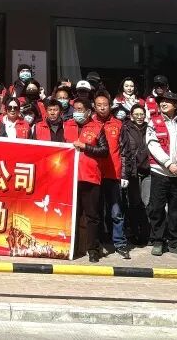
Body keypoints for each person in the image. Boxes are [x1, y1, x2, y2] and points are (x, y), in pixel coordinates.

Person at [145, 92, 177, 257]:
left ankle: (175, 242)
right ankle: (158, 241)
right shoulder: (153, 122)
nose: (163, 103)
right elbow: (152, 144)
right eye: (162, 101)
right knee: (157, 208)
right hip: (159, 172)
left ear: (176, 105)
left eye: (168, 101)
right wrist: (168, 163)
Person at [86, 92, 130, 259]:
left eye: (105, 104)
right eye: (99, 105)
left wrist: (124, 174)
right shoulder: (89, 124)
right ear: (94, 106)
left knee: (116, 211)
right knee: (95, 212)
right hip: (94, 174)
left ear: (110, 105)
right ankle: (97, 244)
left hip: (113, 174)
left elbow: (125, 151)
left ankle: (120, 243)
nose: (102, 108)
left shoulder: (118, 124)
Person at [67, 98, 108, 261]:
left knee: (92, 216)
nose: (77, 112)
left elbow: (104, 151)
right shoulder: (67, 125)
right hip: (70, 177)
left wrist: (86, 147)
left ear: (88, 112)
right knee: (72, 214)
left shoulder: (97, 127)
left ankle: (93, 249)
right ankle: (72, 248)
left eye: (80, 109)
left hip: (90, 177)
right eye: (75, 109)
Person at [122, 103, 151, 247]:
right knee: (134, 203)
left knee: (147, 203)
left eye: (142, 114)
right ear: (131, 116)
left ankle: (146, 234)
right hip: (133, 171)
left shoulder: (150, 128)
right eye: (136, 114)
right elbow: (124, 150)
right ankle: (134, 232)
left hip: (148, 171)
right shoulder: (125, 129)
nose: (139, 117)